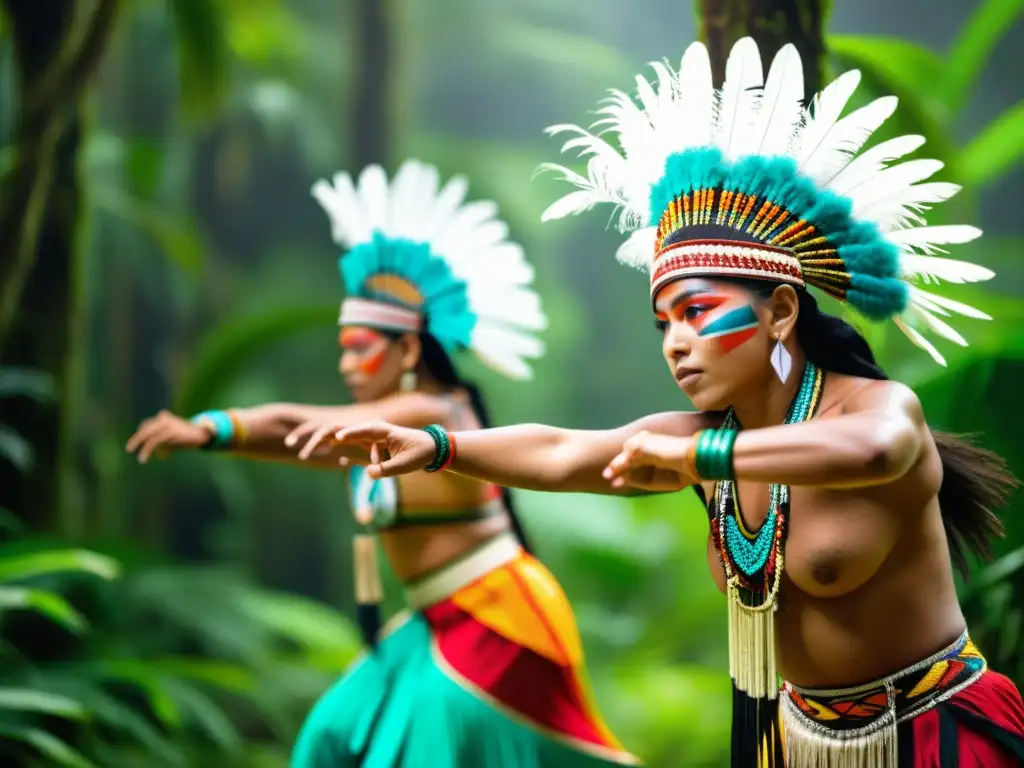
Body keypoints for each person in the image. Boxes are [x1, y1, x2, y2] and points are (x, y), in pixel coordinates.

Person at [287, 41, 1024, 767]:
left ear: (781, 313)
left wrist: (699, 455)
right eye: (663, 321)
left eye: (698, 311)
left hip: (933, 736)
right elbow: (564, 451)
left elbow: (871, 455)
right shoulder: (702, 439)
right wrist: (443, 449)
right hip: (794, 745)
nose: (675, 342)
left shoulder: (876, 411)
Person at [126, 159, 640, 768]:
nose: (347, 366)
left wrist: (211, 427)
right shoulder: (371, 429)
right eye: (343, 350)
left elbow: (297, 427)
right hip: (432, 621)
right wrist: (215, 435)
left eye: (362, 350)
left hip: (494, 617)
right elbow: (299, 440)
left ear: (408, 349)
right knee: (331, 740)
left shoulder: (433, 413)